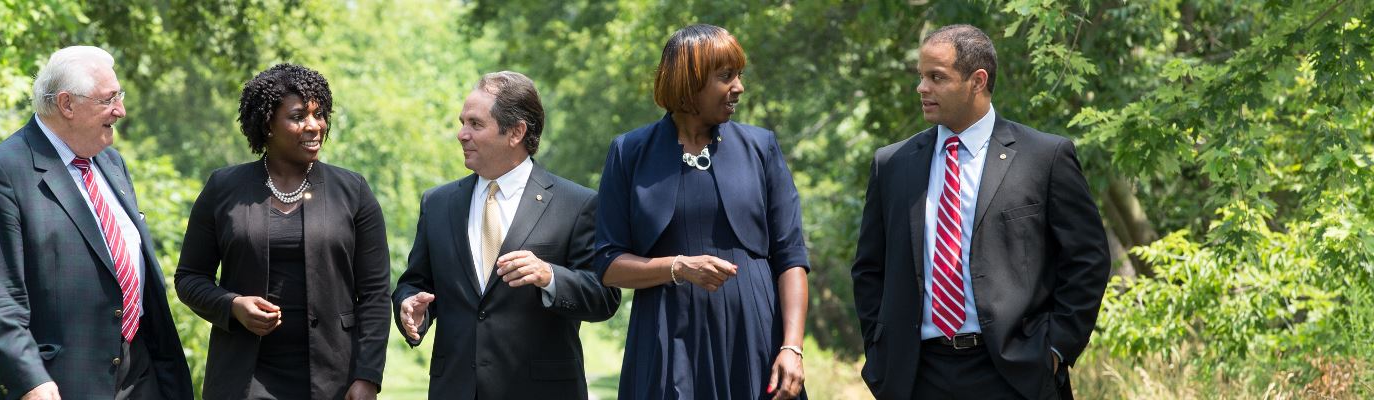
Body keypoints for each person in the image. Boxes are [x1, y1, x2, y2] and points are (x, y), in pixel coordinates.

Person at [850, 24, 1111, 400]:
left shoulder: (1044, 157)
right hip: (916, 376)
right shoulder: (892, 164)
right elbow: (869, 269)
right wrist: (879, 352)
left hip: (1015, 373)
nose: (921, 88)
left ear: (978, 80)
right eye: (921, 76)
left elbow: (1087, 259)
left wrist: (1055, 349)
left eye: (936, 77)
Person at [0, 45, 194, 400]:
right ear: (67, 104)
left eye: (119, 96)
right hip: (57, 384)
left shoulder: (111, 163)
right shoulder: (3, 172)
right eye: (109, 99)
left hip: (140, 376)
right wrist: (30, 381)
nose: (121, 110)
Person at [592, 24, 810, 400]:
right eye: (726, 76)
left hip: (755, 340)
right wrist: (678, 267)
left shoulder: (762, 147)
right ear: (688, 82)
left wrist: (792, 347)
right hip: (665, 343)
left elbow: (791, 257)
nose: (739, 87)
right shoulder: (629, 152)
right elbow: (608, 264)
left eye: (739, 75)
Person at [393, 71, 621, 400]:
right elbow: (415, 283)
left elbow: (604, 297)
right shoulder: (437, 203)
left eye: (475, 124)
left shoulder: (576, 204)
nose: (461, 134)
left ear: (516, 132)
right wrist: (410, 306)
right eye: (462, 122)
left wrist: (549, 276)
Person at [174, 63, 389, 399]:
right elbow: (189, 278)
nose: (314, 126)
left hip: (334, 377)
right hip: (245, 379)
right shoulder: (224, 188)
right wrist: (233, 305)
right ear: (267, 124)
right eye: (298, 116)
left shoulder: (352, 190)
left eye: (320, 115)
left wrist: (368, 375)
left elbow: (375, 294)